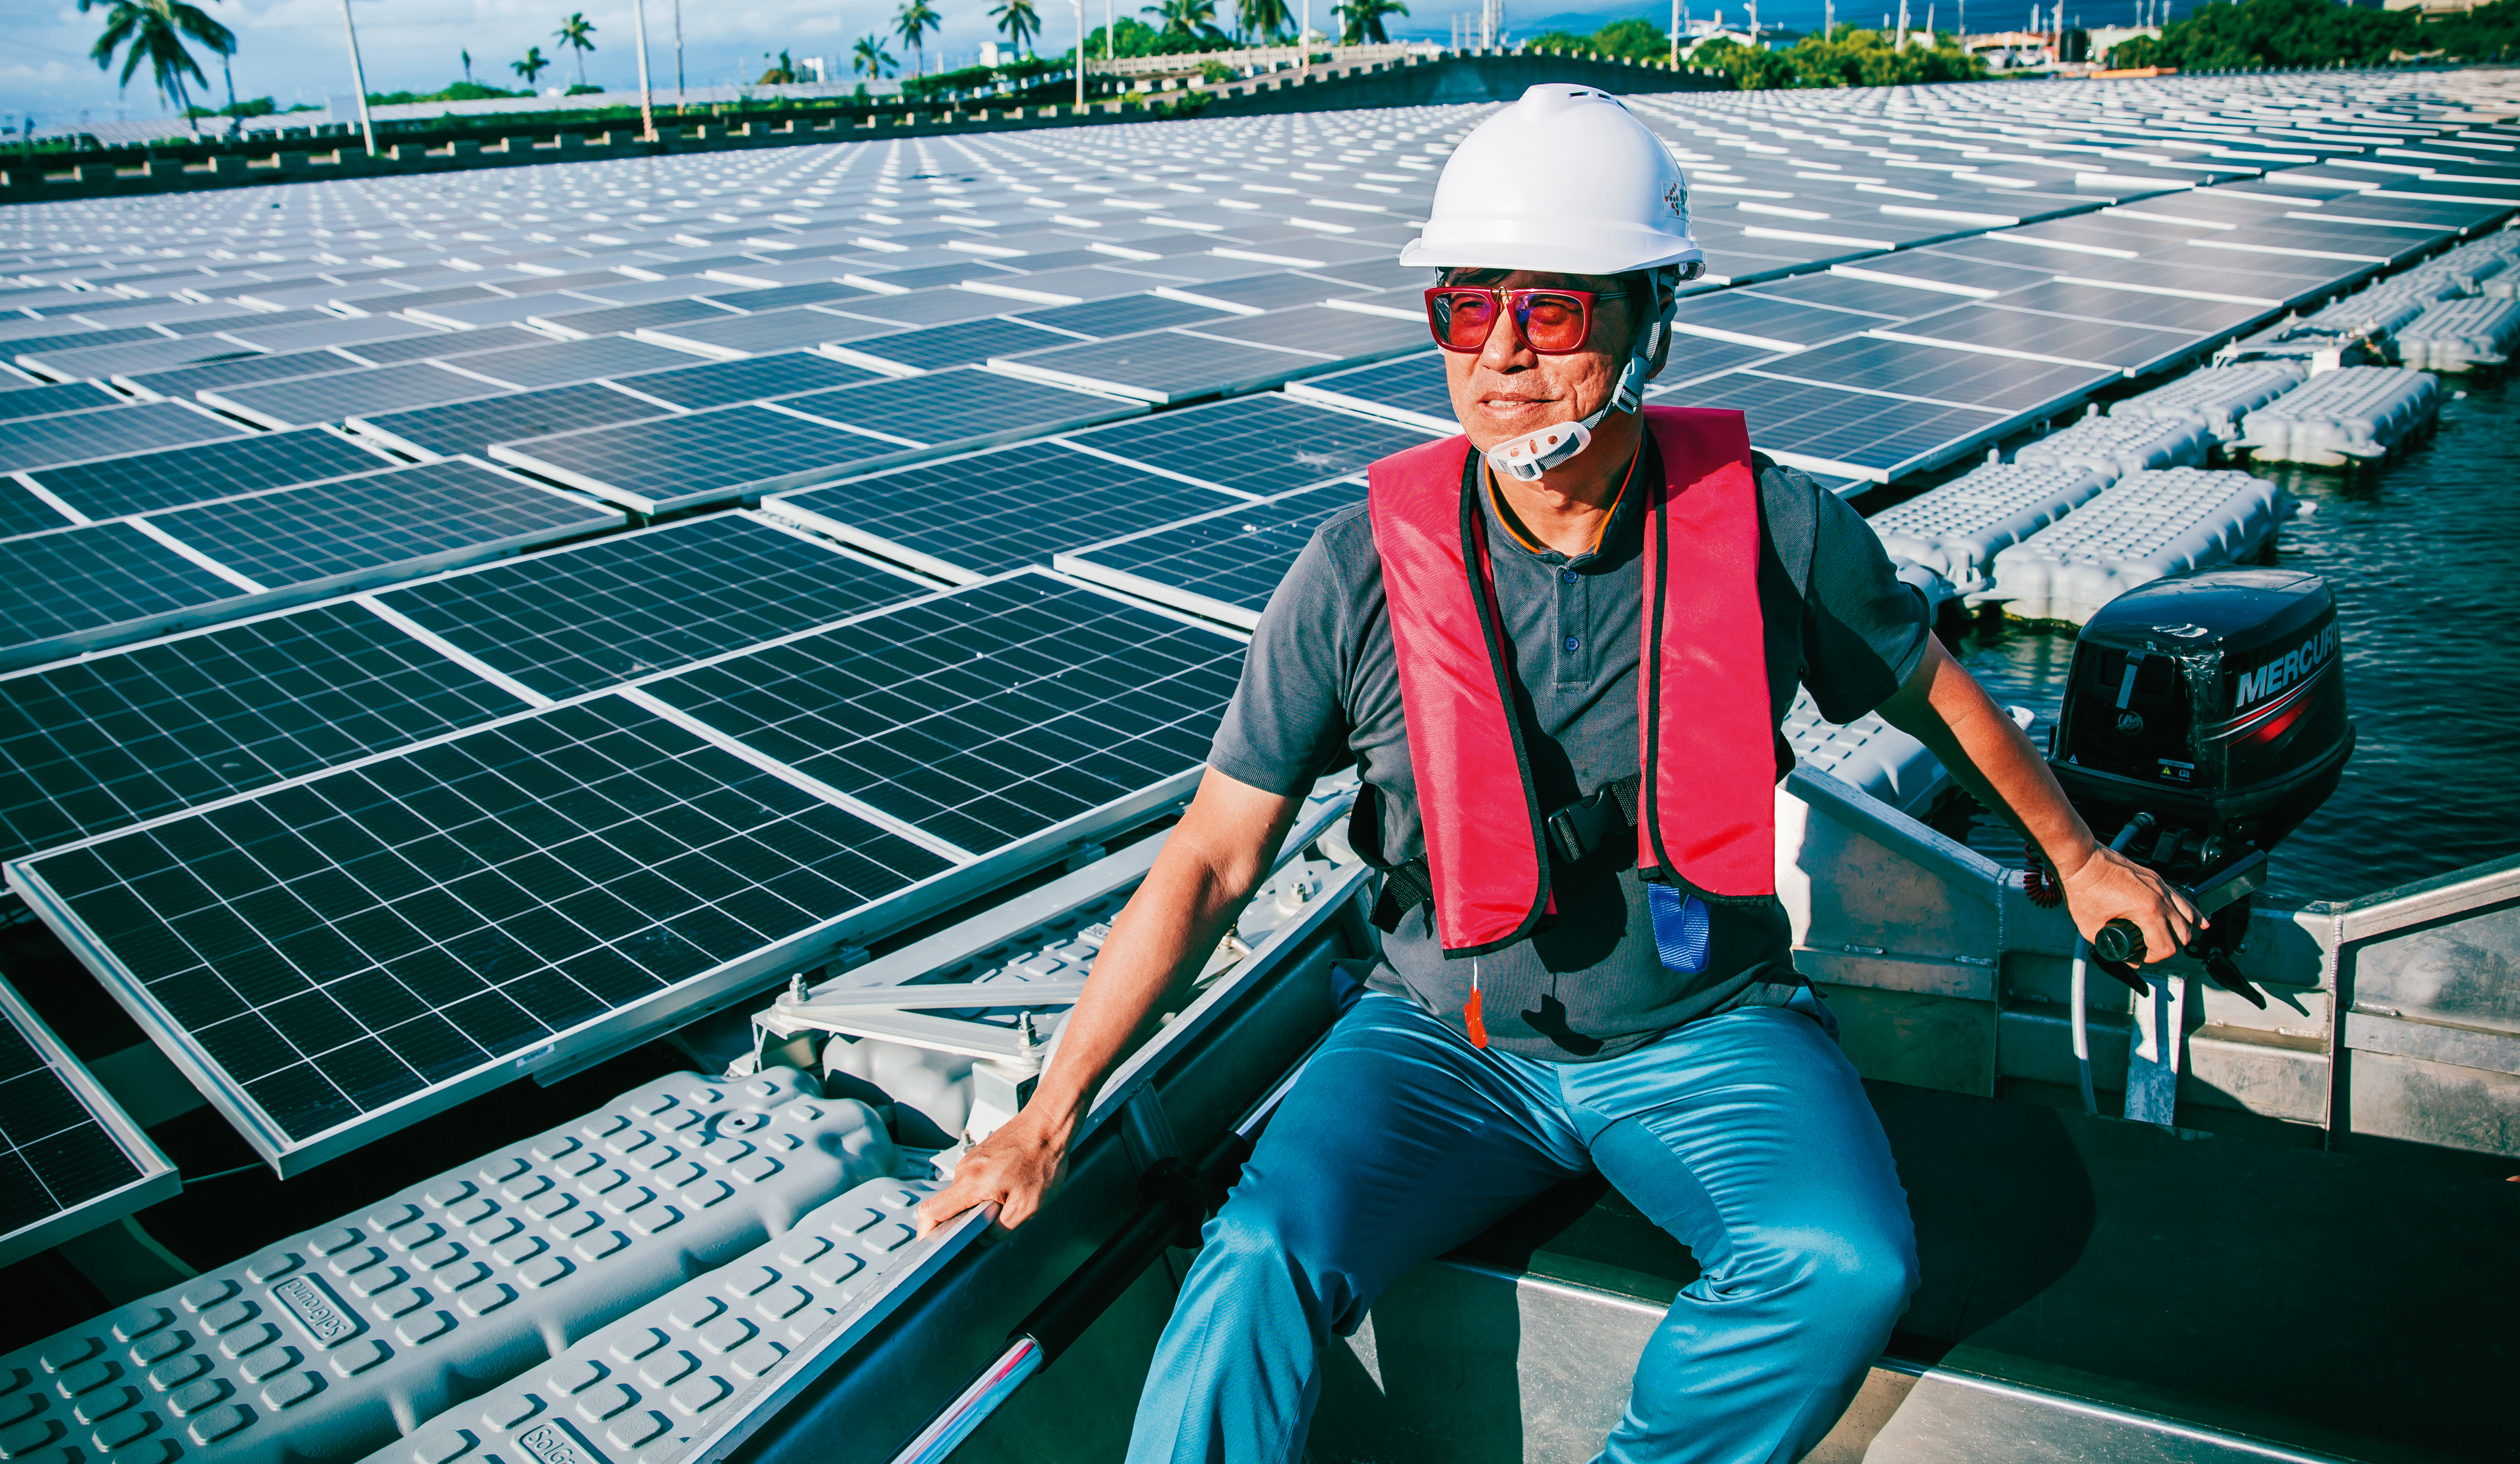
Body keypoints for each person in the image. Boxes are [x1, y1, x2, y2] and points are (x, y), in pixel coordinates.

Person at [923, 84, 2201, 1464]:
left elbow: (1935, 691)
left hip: (1705, 1030)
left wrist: (2077, 862)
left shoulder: (1775, 530)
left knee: (1837, 1266)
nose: (1502, 355)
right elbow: (1212, 857)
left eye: (1553, 309)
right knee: (1255, 1260)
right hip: (1441, 1046)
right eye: (1467, 309)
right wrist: (1049, 1118)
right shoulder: (1354, 573)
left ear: (1650, 316)